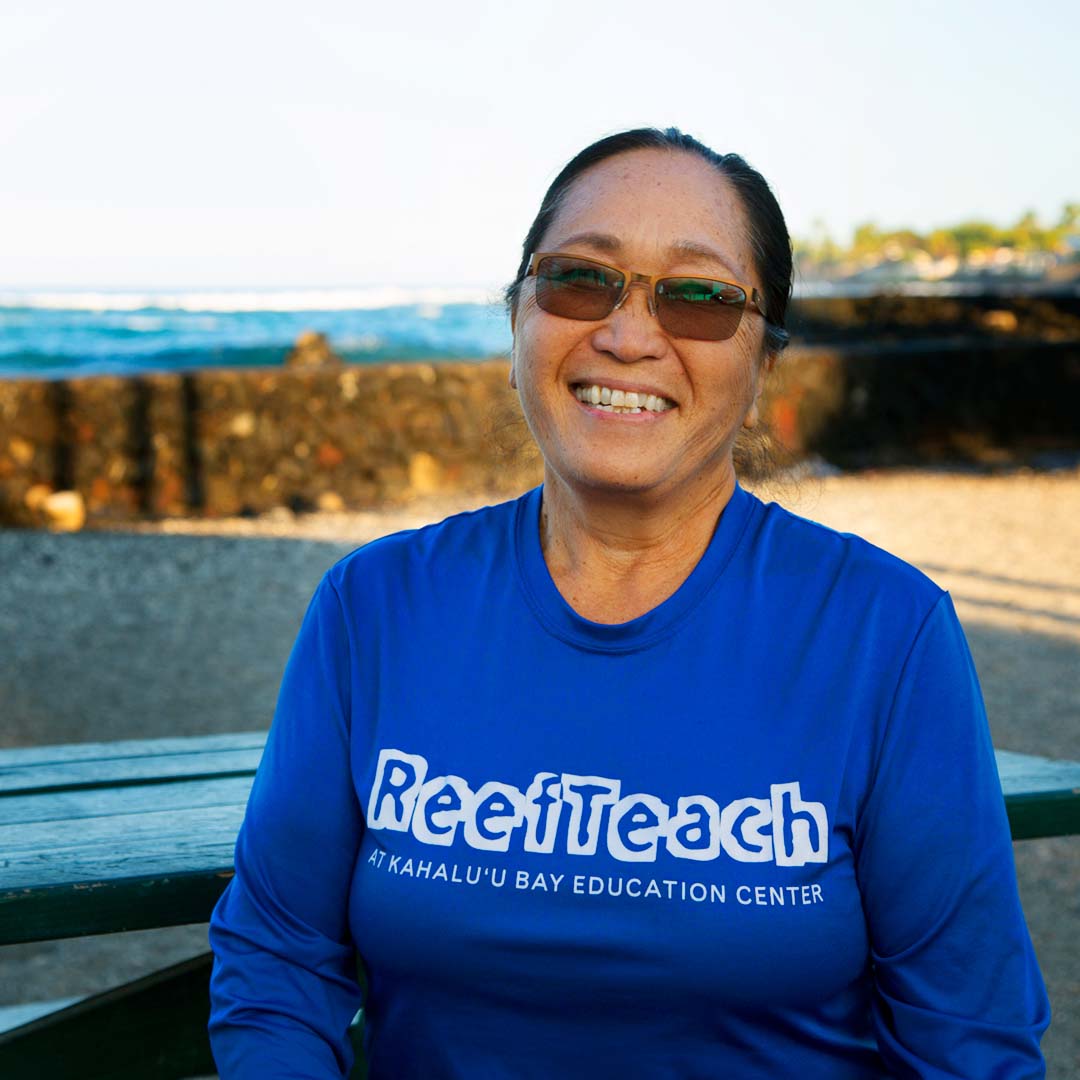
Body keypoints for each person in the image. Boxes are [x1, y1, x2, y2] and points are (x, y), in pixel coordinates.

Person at [207, 127, 1050, 1078]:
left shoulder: (884, 636)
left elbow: (967, 1039)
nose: (628, 334)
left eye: (698, 298)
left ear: (763, 358)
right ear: (518, 318)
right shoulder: (374, 606)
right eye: (579, 279)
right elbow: (279, 956)